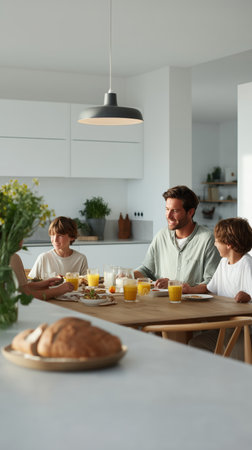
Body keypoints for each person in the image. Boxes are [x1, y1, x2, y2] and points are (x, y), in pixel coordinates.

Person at [188, 217, 252, 360]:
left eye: (217, 240)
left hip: (243, 330)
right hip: (226, 327)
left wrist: (247, 296)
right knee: (195, 343)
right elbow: (210, 289)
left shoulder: (246, 264)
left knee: (235, 362)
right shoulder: (223, 263)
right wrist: (189, 290)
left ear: (228, 244)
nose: (215, 244)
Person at [134, 185, 220, 288]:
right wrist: (127, 276)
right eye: (167, 209)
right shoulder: (161, 236)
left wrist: (174, 285)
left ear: (190, 212)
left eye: (175, 211)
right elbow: (147, 270)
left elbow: (212, 282)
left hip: (191, 303)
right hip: (161, 302)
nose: (169, 216)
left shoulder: (207, 240)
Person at [10, 252, 74, 300]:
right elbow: (25, 296)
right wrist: (57, 290)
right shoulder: (12, 257)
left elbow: (21, 288)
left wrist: (43, 284)